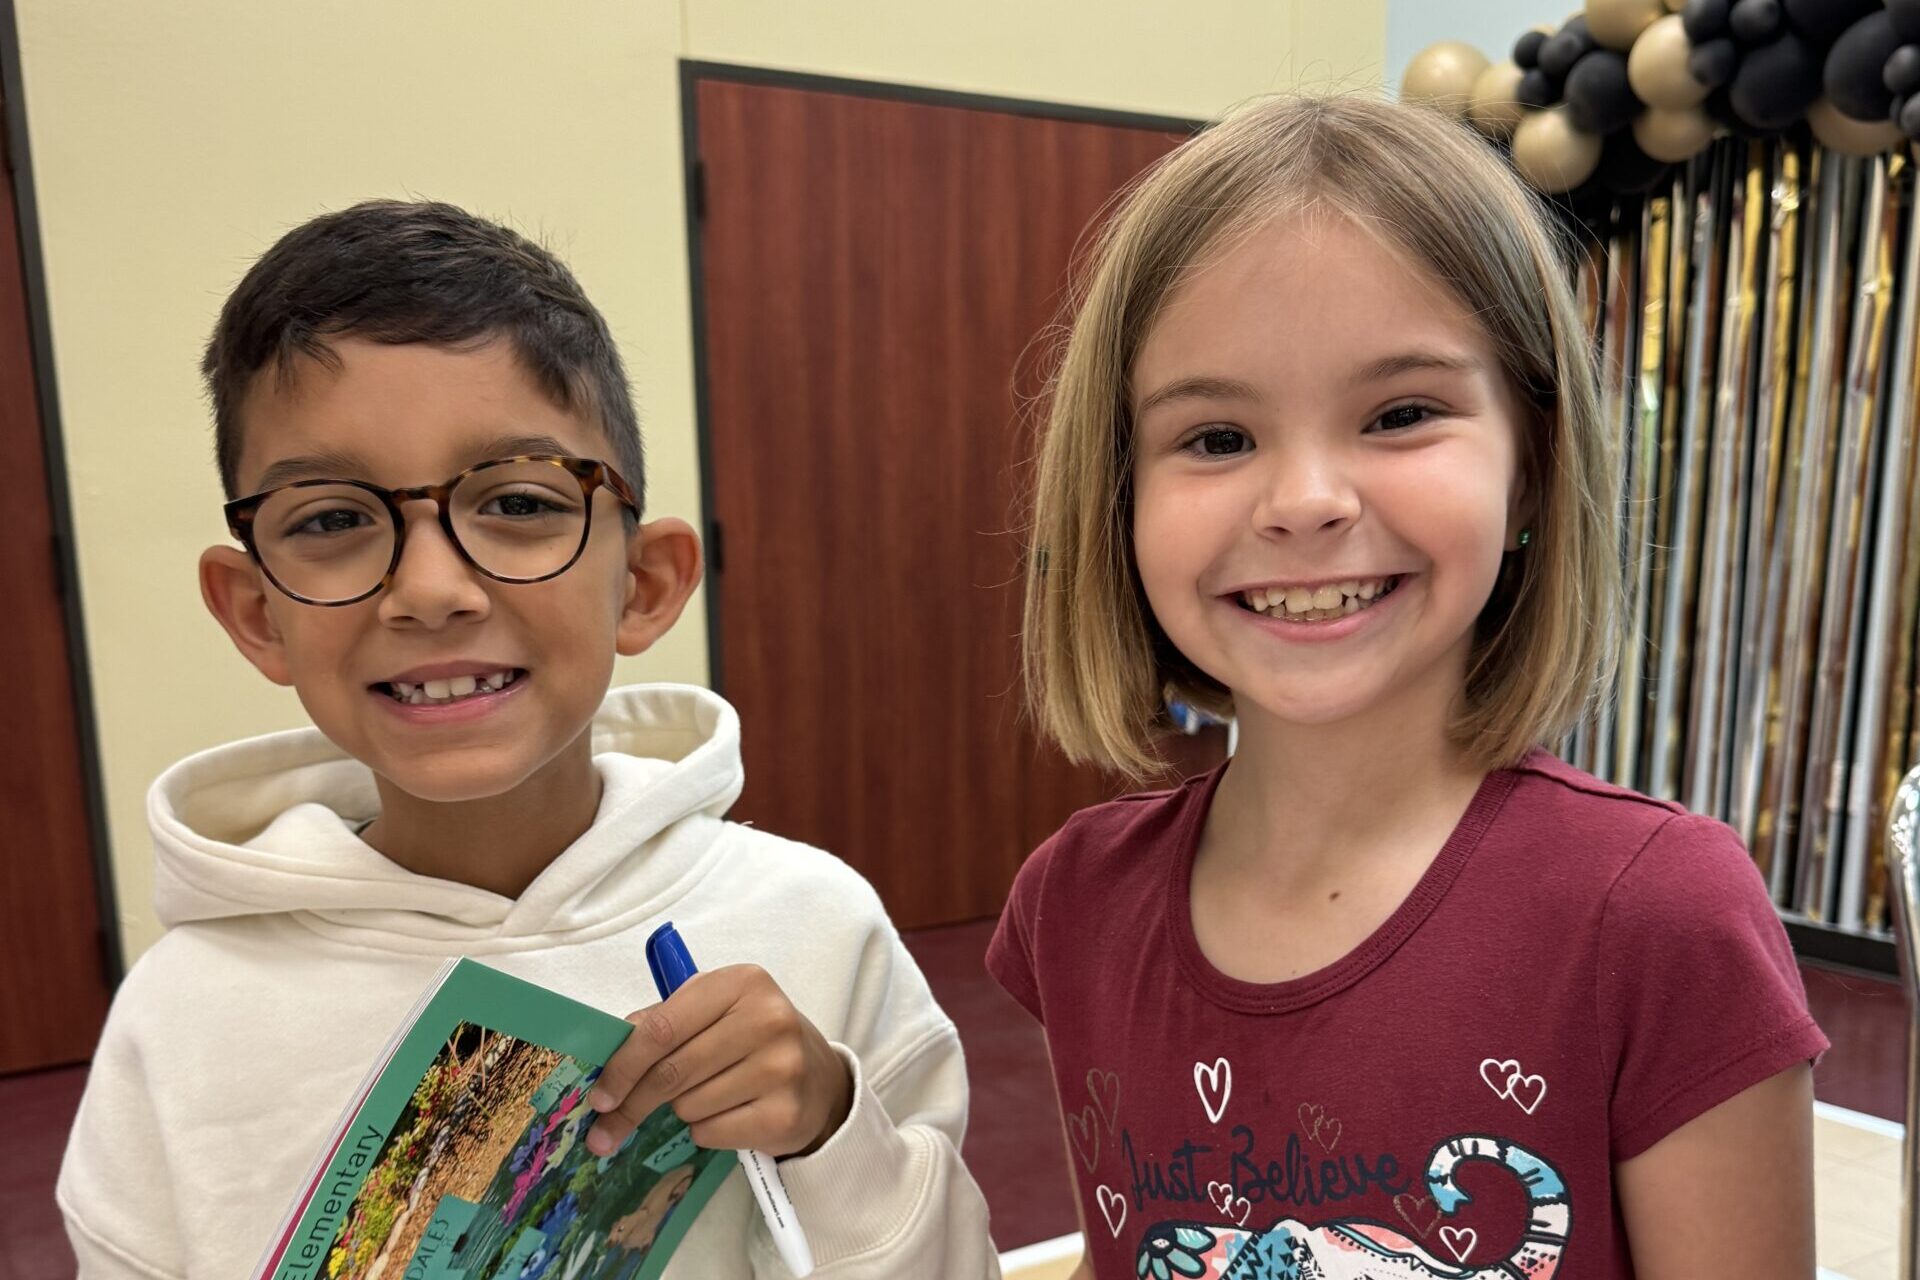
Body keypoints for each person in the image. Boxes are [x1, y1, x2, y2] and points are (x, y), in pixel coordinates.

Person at [58, 199, 997, 1279]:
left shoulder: (817, 927)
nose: (429, 587)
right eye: (329, 518)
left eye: (516, 500)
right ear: (255, 610)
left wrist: (832, 1127)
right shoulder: (185, 1017)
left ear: (644, 585)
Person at [989, 95, 1826, 1279]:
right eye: (1218, 436)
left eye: (1400, 414)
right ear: (1117, 493)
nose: (1306, 498)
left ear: (1533, 465)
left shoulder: (1662, 918)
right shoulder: (1073, 900)